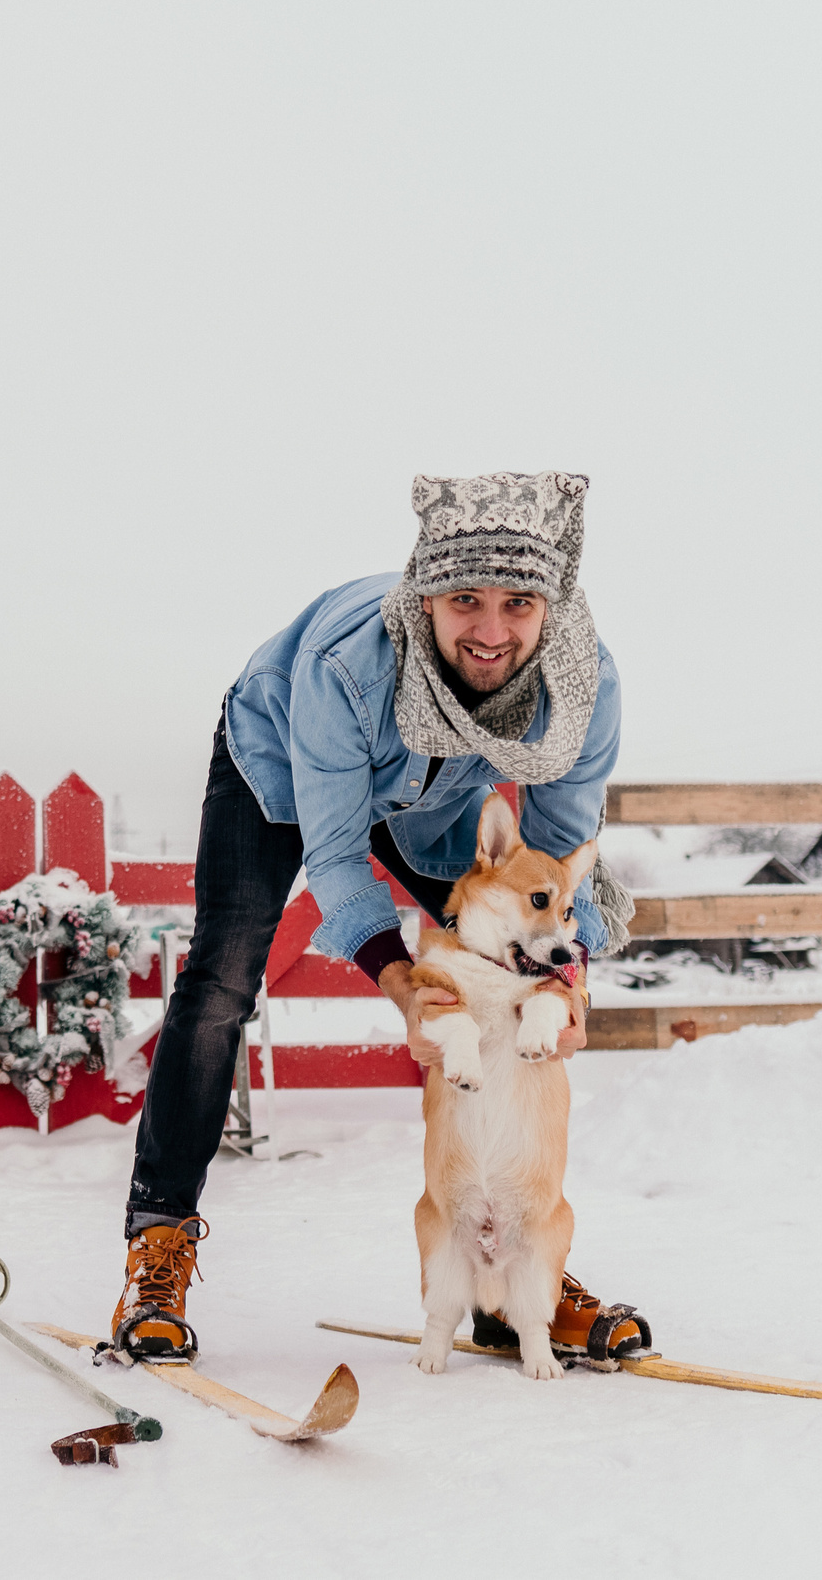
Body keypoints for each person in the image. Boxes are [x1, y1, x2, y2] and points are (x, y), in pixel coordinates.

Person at [111, 469, 638, 1360]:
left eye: (519, 602)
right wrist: (406, 986)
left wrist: (566, 977)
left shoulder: (582, 692)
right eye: (465, 598)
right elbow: (338, 857)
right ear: (425, 595)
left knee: (509, 990)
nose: (492, 629)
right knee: (224, 978)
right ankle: (156, 1244)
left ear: (550, 604)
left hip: (437, 805)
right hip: (280, 762)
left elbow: (551, 877)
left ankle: (513, 1272)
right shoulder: (343, 670)